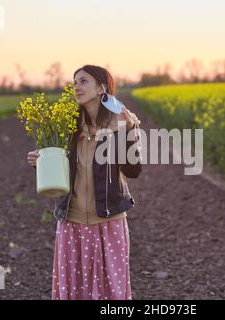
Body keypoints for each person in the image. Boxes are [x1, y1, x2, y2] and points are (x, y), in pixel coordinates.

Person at [27, 65, 142, 300]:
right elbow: (61, 171)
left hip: (108, 222)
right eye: (74, 82)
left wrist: (127, 131)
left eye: (83, 81)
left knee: (111, 294)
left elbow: (133, 170)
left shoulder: (120, 121)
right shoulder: (66, 127)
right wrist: (43, 161)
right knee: (74, 291)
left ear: (101, 88)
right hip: (71, 222)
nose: (76, 87)